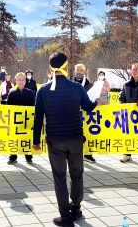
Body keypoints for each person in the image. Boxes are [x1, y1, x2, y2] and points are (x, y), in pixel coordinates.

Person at [32, 53, 100, 227]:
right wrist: (96, 102)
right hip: (76, 138)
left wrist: (36, 141)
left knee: (59, 177)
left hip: (55, 139)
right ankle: (76, 209)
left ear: (50, 68)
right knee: (77, 174)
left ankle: (65, 216)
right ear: (68, 67)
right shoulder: (77, 88)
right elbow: (88, 107)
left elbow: (38, 117)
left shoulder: (43, 90)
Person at [7, 72, 35, 165]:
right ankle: (13, 157)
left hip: (27, 121)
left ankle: (28, 157)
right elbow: (8, 108)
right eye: (19, 79)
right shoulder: (12, 93)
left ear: (25, 81)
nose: (21, 81)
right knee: (14, 139)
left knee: (27, 138)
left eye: (23, 79)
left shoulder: (30, 93)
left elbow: (33, 107)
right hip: (15, 121)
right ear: (15, 81)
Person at [74, 64, 96, 164]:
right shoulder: (70, 84)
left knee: (88, 134)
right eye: (77, 70)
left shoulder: (90, 85)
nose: (79, 71)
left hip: (87, 114)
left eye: (81, 70)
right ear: (74, 71)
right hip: (74, 114)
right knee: (76, 135)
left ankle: (88, 155)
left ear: (84, 72)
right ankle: (75, 155)